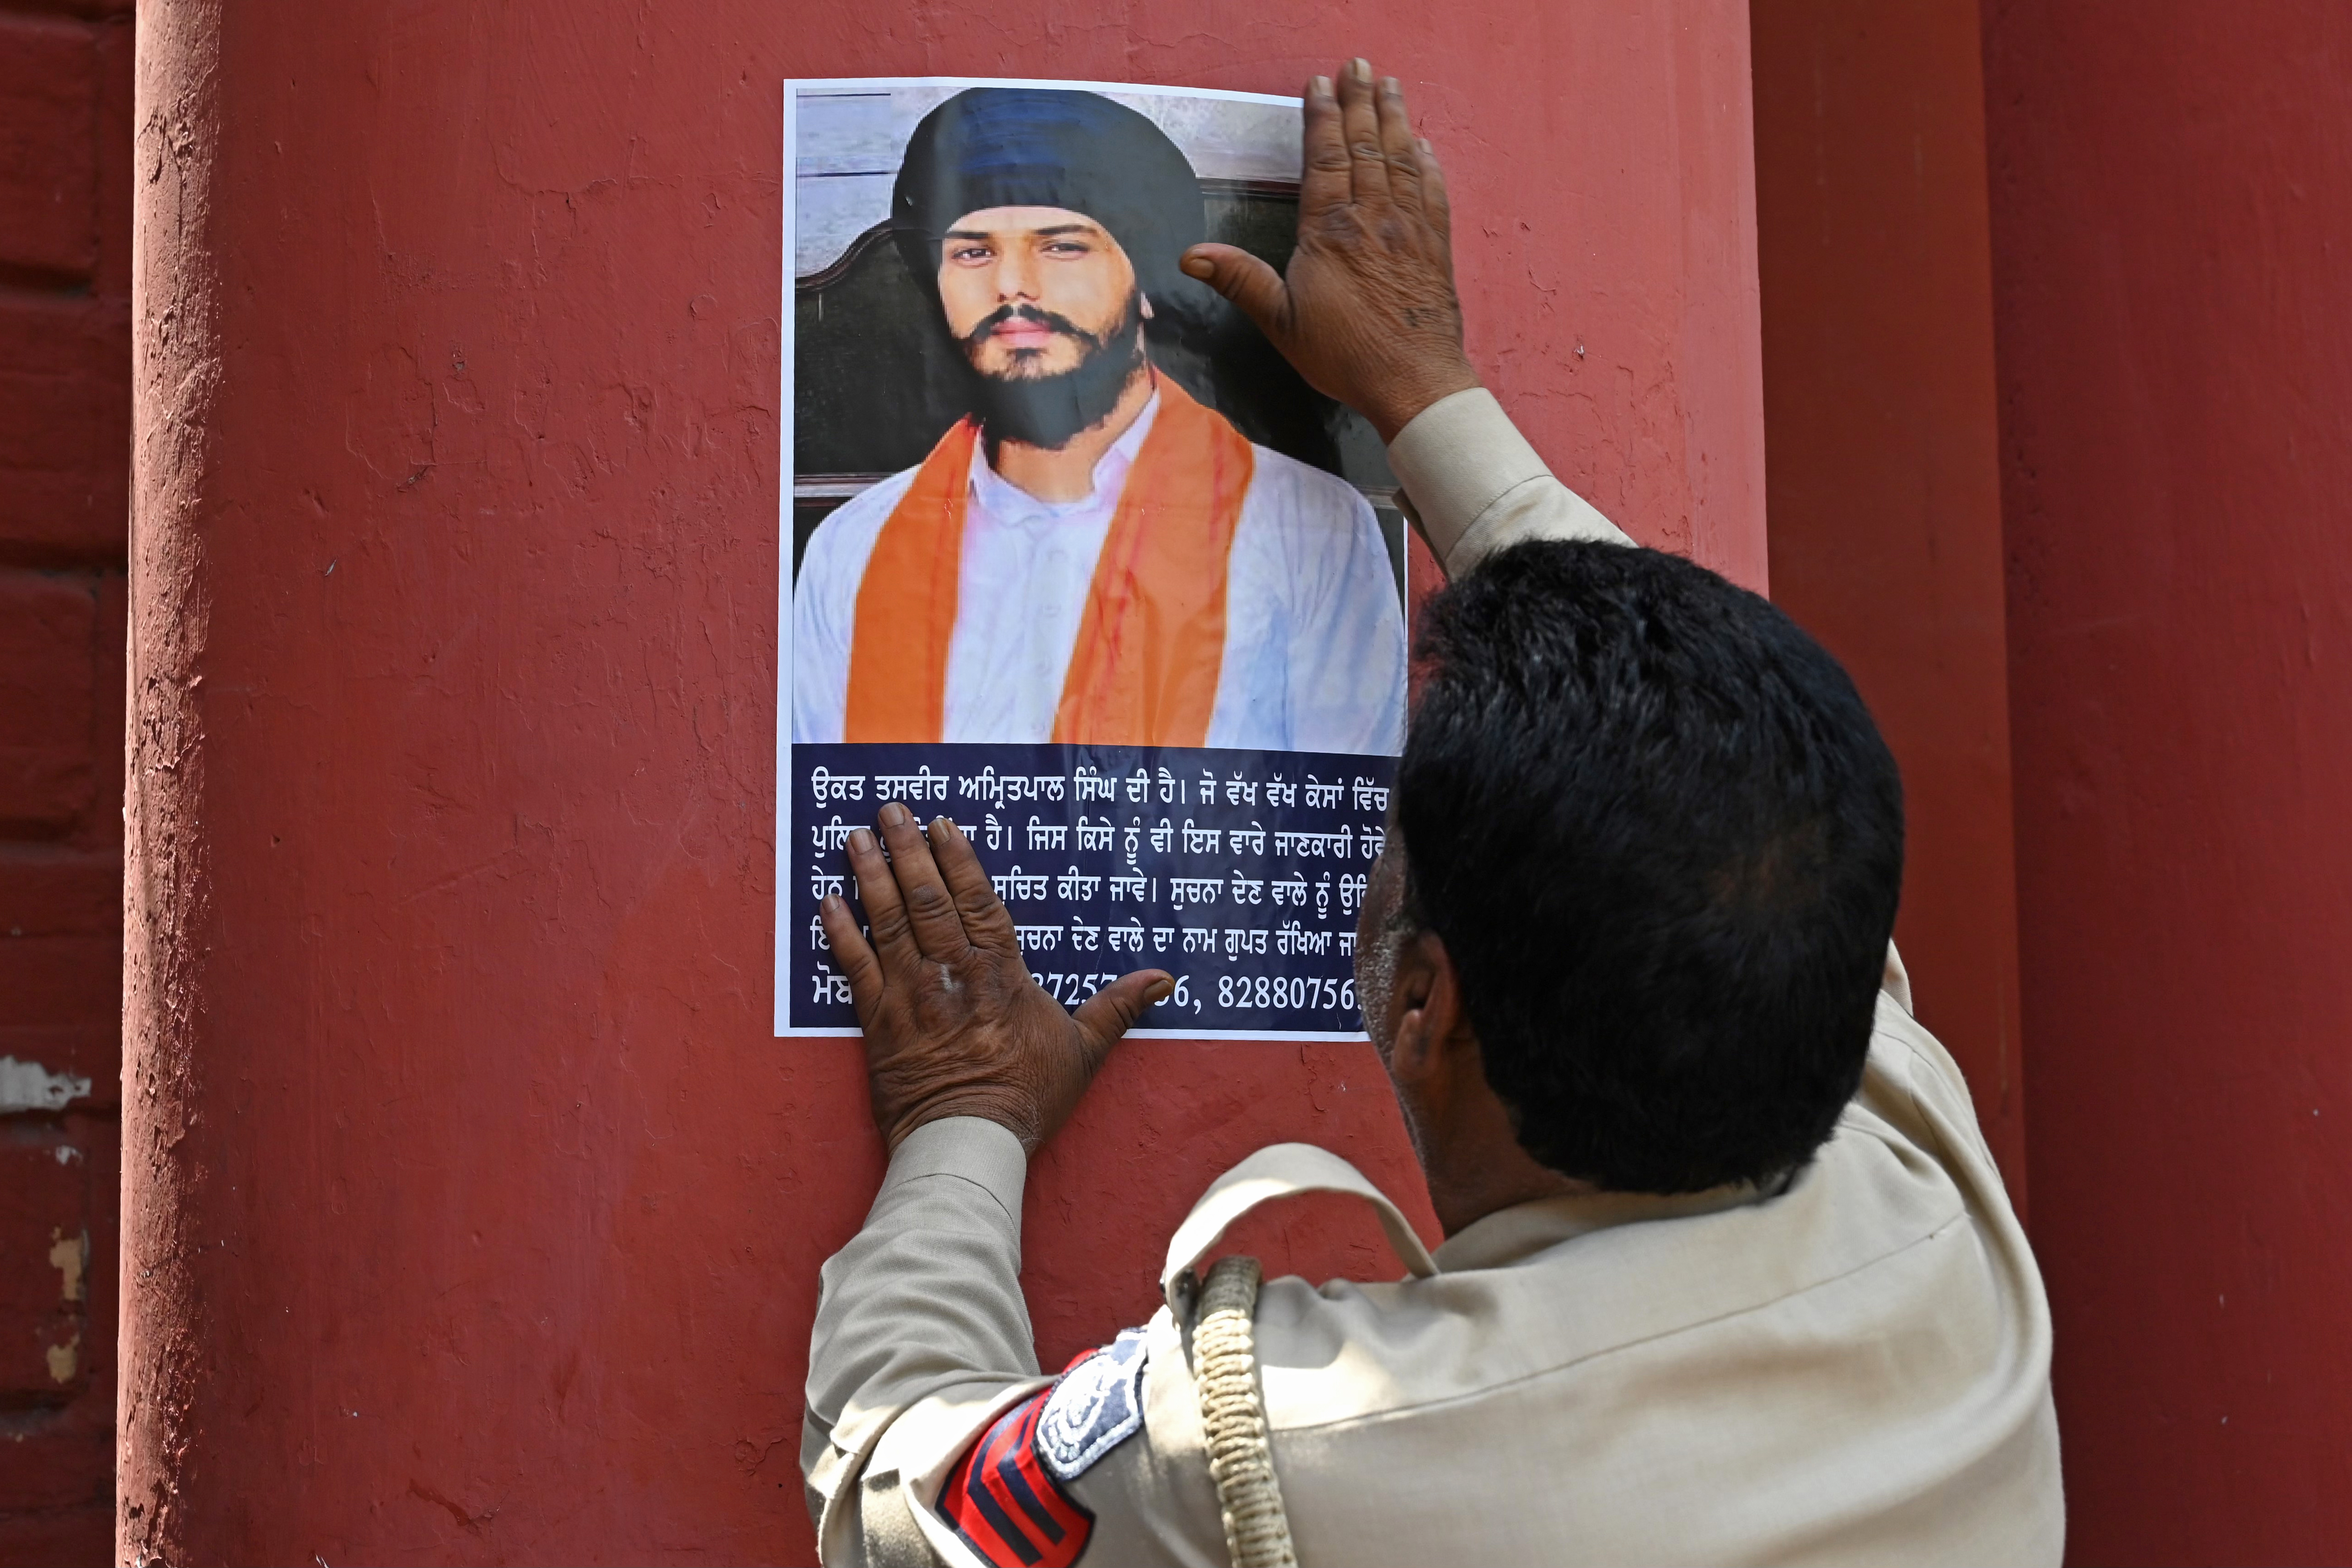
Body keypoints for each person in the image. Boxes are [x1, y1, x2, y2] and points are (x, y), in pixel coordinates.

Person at [800, 62, 2063, 1568]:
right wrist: (1425, 388)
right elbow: (1694, 742)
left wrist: (963, 1121)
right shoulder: (1928, 1211)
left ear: (1418, 1002)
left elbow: (898, 1489)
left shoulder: (1296, 1453)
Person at [792, 86, 1406, 755]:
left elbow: (1350, 828)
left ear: (1145, 283)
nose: (1012, 285)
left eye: (1061, 248)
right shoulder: (853, 548)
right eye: (973, 253)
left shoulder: (1308, 528)